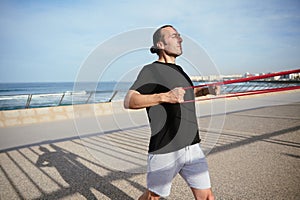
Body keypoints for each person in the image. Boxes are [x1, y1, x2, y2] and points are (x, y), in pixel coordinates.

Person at [124, 25, 217, 200]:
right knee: (154, 197)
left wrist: (205, 90)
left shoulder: (180, 70)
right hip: (166, 148)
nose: (180, 39)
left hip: (193, 145)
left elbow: (185, 93)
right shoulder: (151, 70)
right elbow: (129, 101)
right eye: (174, 36)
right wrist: (165, 97)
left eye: (179, 36)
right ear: (160, 44)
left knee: (207, 196)